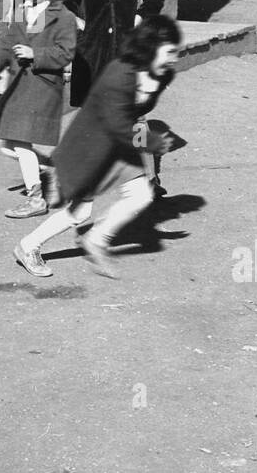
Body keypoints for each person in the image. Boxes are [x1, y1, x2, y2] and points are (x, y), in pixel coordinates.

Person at [14, 16, 182, 278]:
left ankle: (95, 240)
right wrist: (152, 142)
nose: (174, 59)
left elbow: (135, 116)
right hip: (89, 148)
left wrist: (146, 140)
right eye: (170, 51)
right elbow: (117, 123)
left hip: (119, 146)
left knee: (141, 195)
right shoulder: (119, 73)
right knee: (79, 213)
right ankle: (28, 246)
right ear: (151, 47)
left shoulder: (162, 74)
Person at [0, 0, 77, 219]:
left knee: (21, 144)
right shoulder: (23, 10)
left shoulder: (63, 16)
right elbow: (7, 41)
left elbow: (65, 52)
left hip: (43, 86)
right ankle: (51, 169)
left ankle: (36, 198)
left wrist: (36, 54)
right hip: (20, 86)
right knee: (7, 146)